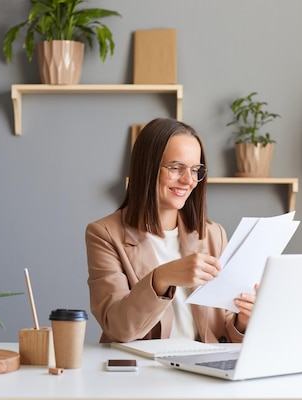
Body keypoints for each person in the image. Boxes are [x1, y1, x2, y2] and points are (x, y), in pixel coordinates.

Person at [86, 118, 256, 344]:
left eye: (195, 170)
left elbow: (223, 324)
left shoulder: (214, 234)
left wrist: (243, 320)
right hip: (143, 372)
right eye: (176, 168)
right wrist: (163, 277)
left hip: (203, 368)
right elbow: (118, 328)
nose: (188, 180)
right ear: (147, 168)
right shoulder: (104, 234)